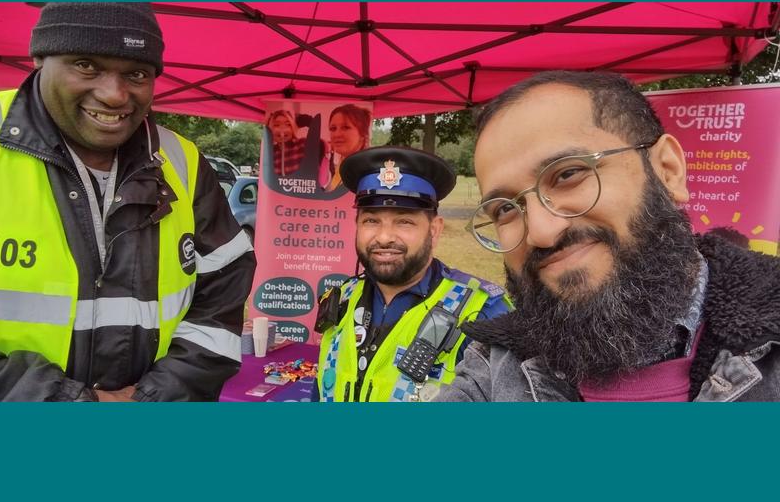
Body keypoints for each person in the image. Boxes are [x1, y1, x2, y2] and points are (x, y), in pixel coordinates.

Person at [436, 71, 780, 402]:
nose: (541, 232)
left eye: (568, 174)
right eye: (505, 209)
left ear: (668, 171)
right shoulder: (492, 371)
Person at [0, 3, 257, 401]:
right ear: (40, 57)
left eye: (137, 74)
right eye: (86, 65)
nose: (114, 95)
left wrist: (153, 396)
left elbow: (224, 289)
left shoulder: (183, 161)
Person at [314, 145, 512, 402]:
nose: (384, 237)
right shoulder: (340, 299)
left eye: (404, 221)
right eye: (371, 220)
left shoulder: (482, 314)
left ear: (434, 230)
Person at [325, 103, 371, 191]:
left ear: (362, 134)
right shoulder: (342, 164)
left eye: (346, 127)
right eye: (333, 128)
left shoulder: (368, 172)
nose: (337, 134)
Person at [266, 109, 305, 176]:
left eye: (288, 124)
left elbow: (323, 147)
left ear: (293, 127)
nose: (282, 129)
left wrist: (309, 121)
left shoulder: (303, 144)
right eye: (276, 125)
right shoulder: (269, 153)